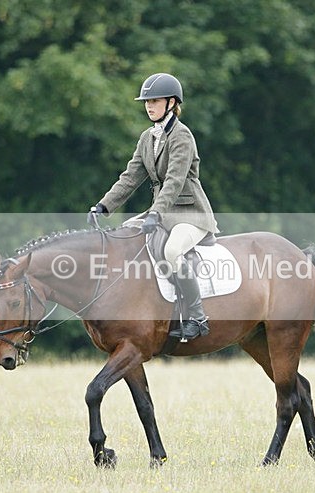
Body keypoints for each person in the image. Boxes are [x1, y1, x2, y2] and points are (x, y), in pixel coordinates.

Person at [88, 73, 218, 341]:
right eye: (146, 101)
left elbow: (174, 180)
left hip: (190, 213)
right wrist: (103, 206)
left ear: (171, 102)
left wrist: (156, 213)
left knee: (171, 251)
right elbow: (130, 177)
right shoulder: (148, 137)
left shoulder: (182, 135)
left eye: (155, 101)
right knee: (124, 233)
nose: (149, 106)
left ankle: (197, 316)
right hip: (160, 211)